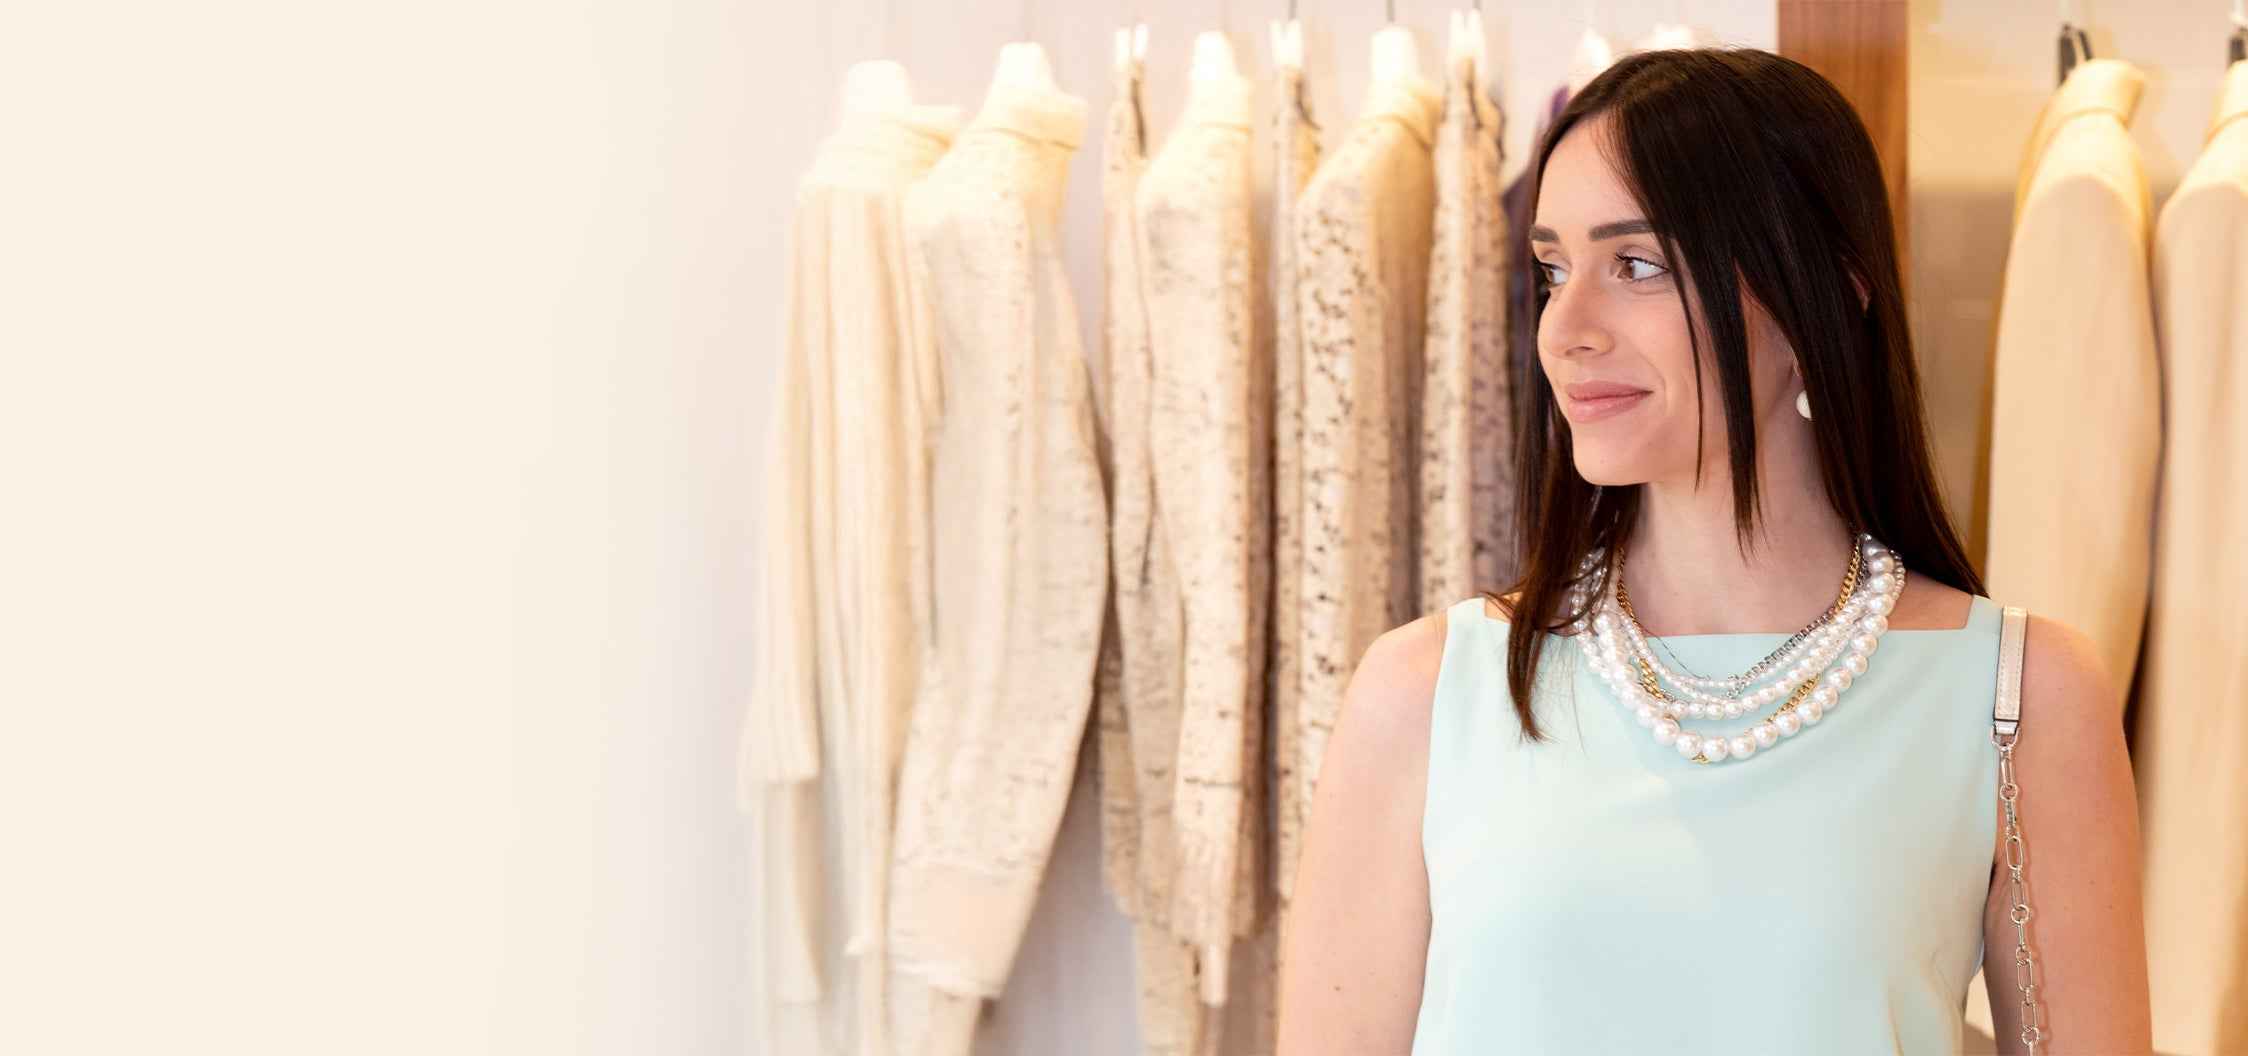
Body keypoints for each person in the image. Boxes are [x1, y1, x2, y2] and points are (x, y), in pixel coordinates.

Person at [1275, 48, 2152, 1055]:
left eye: (1636, 265)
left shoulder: (2018, 698)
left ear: (1824, 290)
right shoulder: (1426, 695)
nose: (1565, 328)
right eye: (1553, 270)